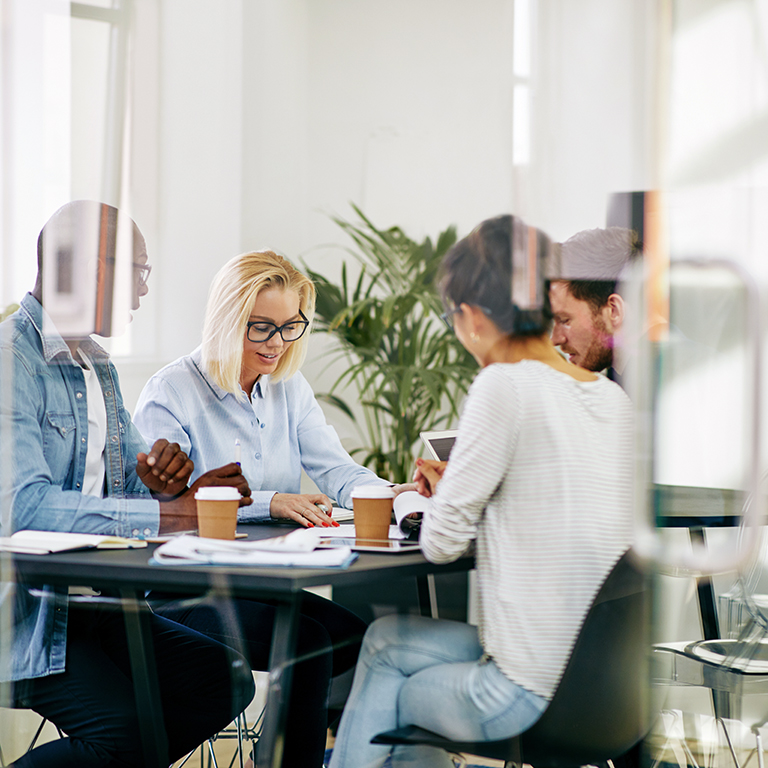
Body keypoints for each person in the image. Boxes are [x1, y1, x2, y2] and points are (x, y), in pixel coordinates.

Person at [328, 215, 634, 768]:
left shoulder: (503, 384)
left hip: (524, 691)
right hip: (605, 689)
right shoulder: (612, 400)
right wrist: (470, 490)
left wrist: (410, 500)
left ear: (469, 317)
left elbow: (442, 543)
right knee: (384, 643)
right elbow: (553, 505)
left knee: (390, 685)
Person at [0, 201, 255, 767]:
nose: (142, 291)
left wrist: (178, 487)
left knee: (223, 681)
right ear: (86, 267)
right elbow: (22, 509)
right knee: (127, 733)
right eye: (137, 271)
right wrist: (170, 515)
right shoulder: (9, 361)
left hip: (96, 605)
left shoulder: (98, 365)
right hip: (24, 615)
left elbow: (140, 488)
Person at [133, 250, 393, 768]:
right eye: (262, 328)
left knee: (352, 640)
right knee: (309, 643)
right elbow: (164, 507)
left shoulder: (287, 388)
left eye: (290, 326)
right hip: (181, 589)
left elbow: (338, 470)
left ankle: (272, 756)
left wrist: (400, 495)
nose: (277, 344)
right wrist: (273, 501)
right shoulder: (171, 391)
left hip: (263, 582)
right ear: (229, 321)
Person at [549, 226, 639, 381]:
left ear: (614, 311)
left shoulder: (668, 381)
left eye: (564, 320)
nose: (555, 340)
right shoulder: (627, 376)